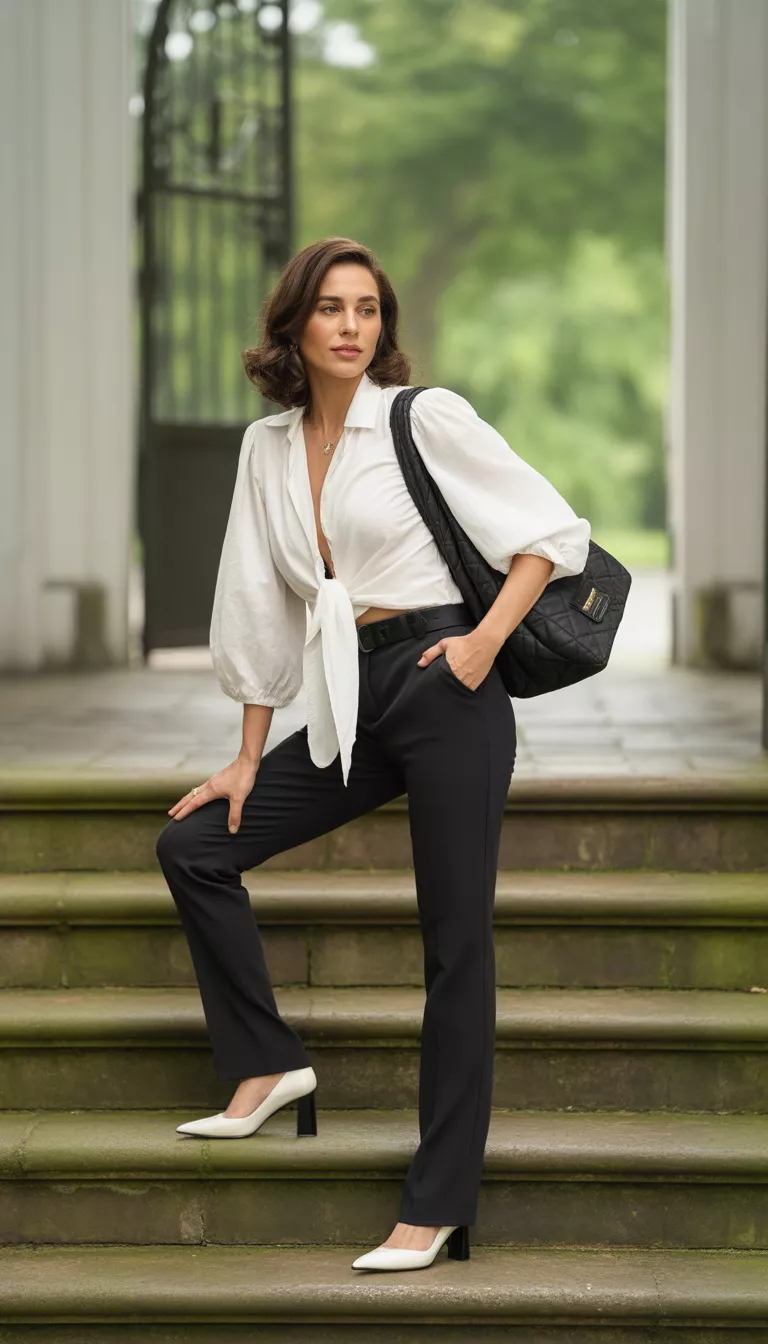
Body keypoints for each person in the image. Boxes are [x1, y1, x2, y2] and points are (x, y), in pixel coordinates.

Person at [155, 236, 590, 1273]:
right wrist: (249, 755)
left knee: (455, 946)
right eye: (332, 308)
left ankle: (436, 1203)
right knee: (194, 851)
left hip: (447, 689)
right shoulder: (268, 448)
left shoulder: (420, 417)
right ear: (295, 325)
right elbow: (257, 606)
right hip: (356, 699)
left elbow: (549, 533)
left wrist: (481, 650)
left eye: (368, 309)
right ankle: (265, 1065)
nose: (353, 326)